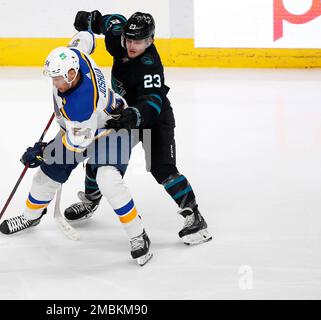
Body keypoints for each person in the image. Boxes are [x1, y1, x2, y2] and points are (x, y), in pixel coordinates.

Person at [0, 31, 153, 266]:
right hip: (81, 128)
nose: (54, 83)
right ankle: (31, 217)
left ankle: (137, 234)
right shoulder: (75, 56)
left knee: (108, 179)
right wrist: (84, 29)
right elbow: (86, 38)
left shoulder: (81, 104)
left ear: (72, 74)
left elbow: (76, 142)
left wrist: (43, 150)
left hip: (113, 129)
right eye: (52, 77)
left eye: (58, 78)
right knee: (46, 175)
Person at [64, 11, 212, 246]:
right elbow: (110, 21)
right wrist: (91, 20)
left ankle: (195, 216)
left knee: (161, 168)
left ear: (151, 40)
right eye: (129, 39)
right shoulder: (118, 38)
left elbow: (153, 103)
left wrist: (132, 116)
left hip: (154, 118)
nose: (132, 45)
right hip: (123, 113)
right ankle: (92, 200)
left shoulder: (150, 64)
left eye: (139, 41)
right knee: (99, 153)